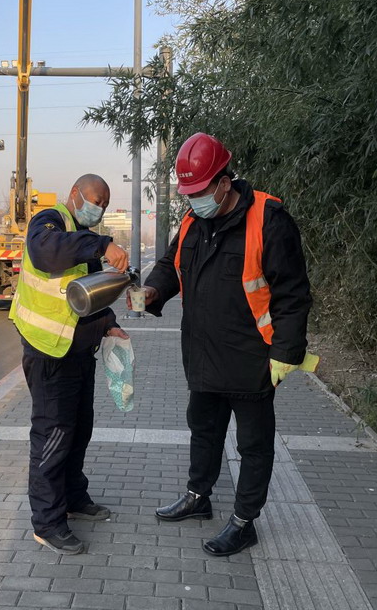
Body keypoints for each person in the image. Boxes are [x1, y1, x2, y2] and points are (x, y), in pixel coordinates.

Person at [131, 133, 316, 557]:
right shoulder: (193, 222)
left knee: (253, 445)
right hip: (202, 353)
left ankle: (244, 522)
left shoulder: (268, 219)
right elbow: (171, 265)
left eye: (199, 192)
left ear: (224, 183)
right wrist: (154, 292)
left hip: (252, 359)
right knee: (203, 429)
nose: (194, 200)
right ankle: (198, 496)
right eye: (189, 194)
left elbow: (293, 295)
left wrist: (285, 353)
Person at [9, 173, 130, 555]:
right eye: (96, 200)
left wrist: (109, 324)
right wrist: (103, 243)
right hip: (49, 353)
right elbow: (48, 253)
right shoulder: (49, 223)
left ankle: (74, 498)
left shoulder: (84, 238)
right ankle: (47, 522)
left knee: (78, 431)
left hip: (78, 353)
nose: (99, 209)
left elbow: (90, 294)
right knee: (53, 436)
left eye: (104, 205)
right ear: (76, 194)